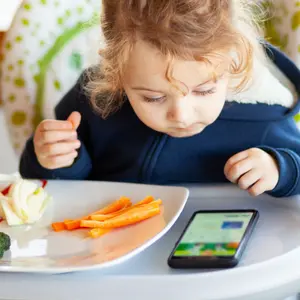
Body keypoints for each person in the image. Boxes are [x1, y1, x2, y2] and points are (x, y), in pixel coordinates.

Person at [19, 0, 300, 198]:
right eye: (153, 97)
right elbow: (46, 188)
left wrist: (279, 168)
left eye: (204, 91)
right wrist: (53, 157)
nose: (181, 114)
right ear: (116, 72)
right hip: (116, 257)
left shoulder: (263, 115)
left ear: (232, 63)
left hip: (221, 262)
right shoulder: (93, 102)